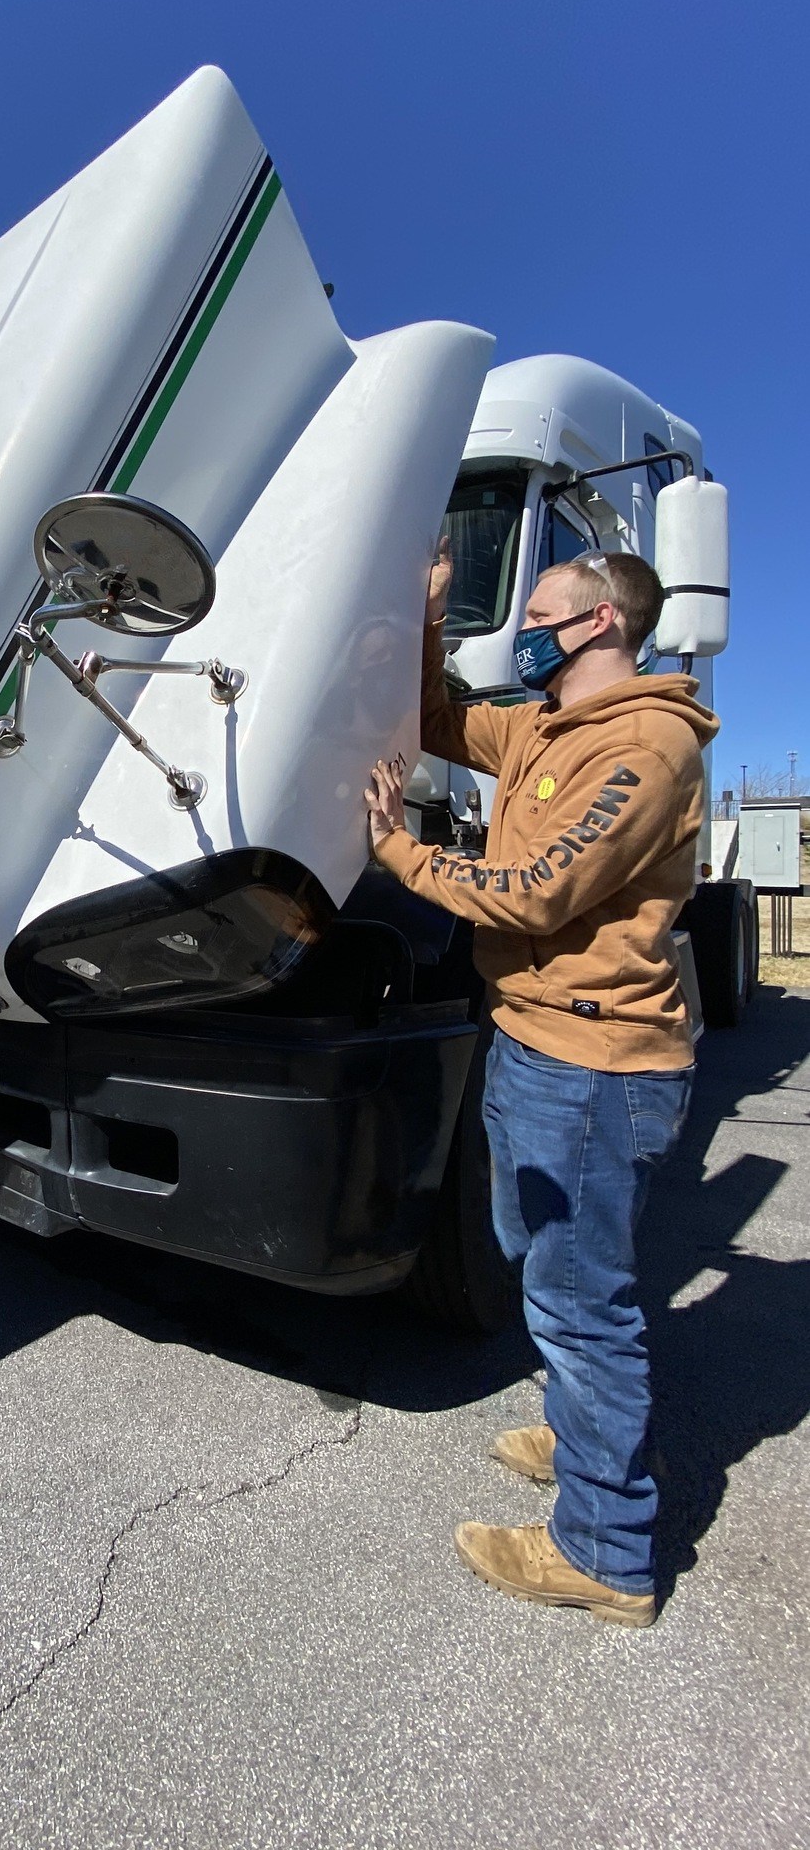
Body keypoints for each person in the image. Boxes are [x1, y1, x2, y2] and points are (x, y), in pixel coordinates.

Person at [364, 546, 718, 1626]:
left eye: (541, 611)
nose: (523, 627)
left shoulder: (649, 747)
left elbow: (533, 889)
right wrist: (425, 614)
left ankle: (607, 1551)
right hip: (534, 1043)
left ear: (601, 621)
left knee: (581, 1304)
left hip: (594, 1067)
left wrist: (399, 852)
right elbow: (431, 713)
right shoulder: (538, 727)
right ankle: (585, 1433)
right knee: (546, 1268)